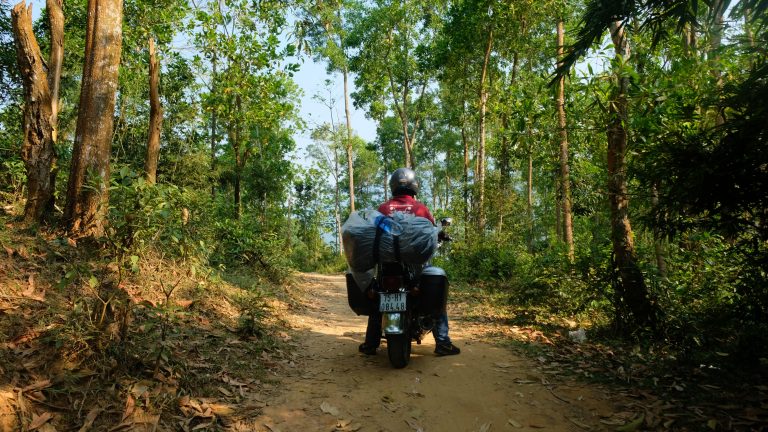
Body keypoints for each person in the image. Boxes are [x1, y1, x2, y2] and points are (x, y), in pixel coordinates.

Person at [359, 167, 461, 357]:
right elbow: (431, 232)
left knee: (379, 296)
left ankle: (370, 343)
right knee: (434, 294)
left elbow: (374, 234)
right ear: (414, 186)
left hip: (387, 264)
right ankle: (443, 343)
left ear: (393, 186)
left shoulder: (382, 208)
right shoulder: (420, 208)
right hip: (415, 265)